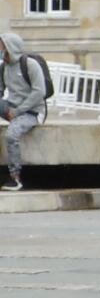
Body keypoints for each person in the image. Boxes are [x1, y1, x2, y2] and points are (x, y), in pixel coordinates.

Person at [1, 33, 48, 193]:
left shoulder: (30, 64)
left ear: (9, 47)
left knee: (11, 135)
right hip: (13, 108)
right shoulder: (4, 67)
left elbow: (39, 92)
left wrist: (18, 111)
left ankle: (15, 178)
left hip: (33, 111)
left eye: (1, 46)